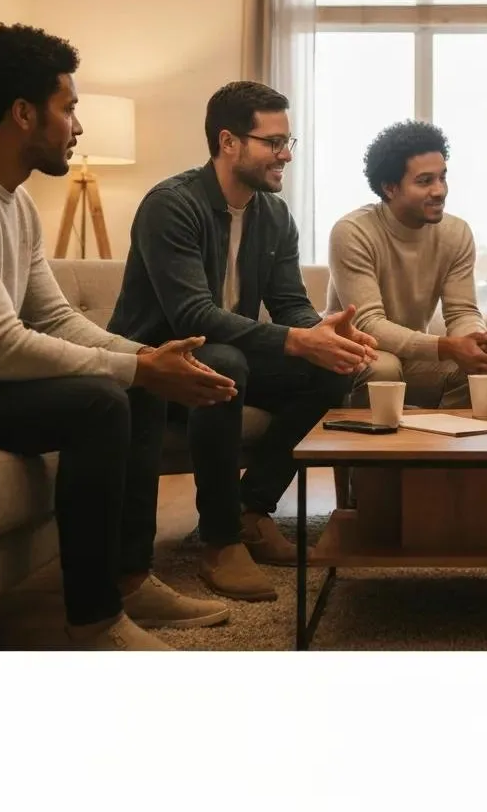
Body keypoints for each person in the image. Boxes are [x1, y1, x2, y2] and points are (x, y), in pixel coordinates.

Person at [0, 24, 237, 651]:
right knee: (101, 400)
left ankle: (127, 579)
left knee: (133, 388)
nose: (77, 126)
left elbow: (55, 318)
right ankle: (94, 620)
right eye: (68, 107)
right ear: (22, 114)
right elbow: (2, 346)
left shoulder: (13, 202)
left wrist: (146, 360)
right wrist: (134, 369)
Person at [107, 82, 376, 603]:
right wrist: (296, 340)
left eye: (289, 140)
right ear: (228, 142)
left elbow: (289, 302)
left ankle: (250, 511)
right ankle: (219, 541)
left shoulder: (273, 215)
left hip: (227, 358)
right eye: (273, 142)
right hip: (157, 366)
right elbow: (192, 317)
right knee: (225, 359)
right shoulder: (171, 205)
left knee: (334, 368)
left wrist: (322, 334)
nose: (286, 155)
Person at [326, 119, 487, 413]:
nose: (440, 191)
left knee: (483, 367)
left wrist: (477, 340)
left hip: (412, 357)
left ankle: (445, 453)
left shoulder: (456, 233)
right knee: (384, 370)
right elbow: (368, 325)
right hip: (356, 351)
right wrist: (447, 347)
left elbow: (461, 311)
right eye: (425, 181)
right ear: (390, 188)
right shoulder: (352, 231)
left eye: (442, 177)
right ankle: (366, 459)